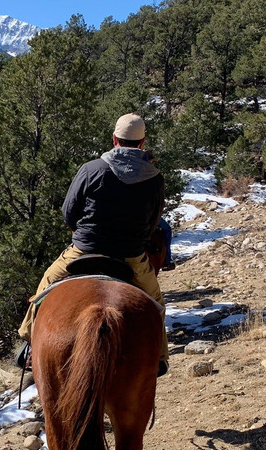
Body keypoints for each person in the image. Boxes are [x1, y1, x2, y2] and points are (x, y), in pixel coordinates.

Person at [16, 113, 170, 376]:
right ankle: (159, 357)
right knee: (155, 302)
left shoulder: (92, 169)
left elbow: (68, 211)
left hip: (84, 249)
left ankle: (28, 343)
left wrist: (84, 234)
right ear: (142, 142)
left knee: (46, 284)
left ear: (114, 139)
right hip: (131, 256)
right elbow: (154, 218)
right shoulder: (154, 178)